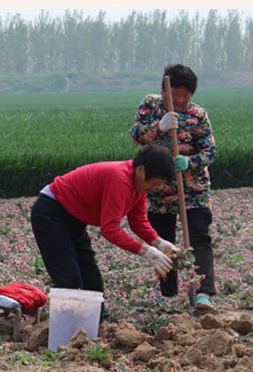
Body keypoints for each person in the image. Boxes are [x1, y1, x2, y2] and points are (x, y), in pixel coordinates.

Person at [30, 145, 178, 298]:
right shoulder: (120, 180)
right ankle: (68, 321)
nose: (155, 188)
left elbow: (138, 221)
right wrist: (145, 251)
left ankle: (92, 322)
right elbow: (109, 229)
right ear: (141, 170)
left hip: (74, 219)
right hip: (51, 213)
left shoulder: (139, 187)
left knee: (92, 284)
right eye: (154, 184)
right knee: (69, 281)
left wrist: (159, 243)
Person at [131, 64, 217, 313]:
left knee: (200, 236)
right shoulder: (150, 105)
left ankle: (203, 293)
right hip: (158, 191)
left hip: (194, 190)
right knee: (162, 240)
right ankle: (167, 294)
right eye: (175, 94)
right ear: (164, 90)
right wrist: (158, 127)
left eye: (185, 96)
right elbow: (136, 135)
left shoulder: (198, 115)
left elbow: (209, 151)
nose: (180, 100)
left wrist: (190, 162)